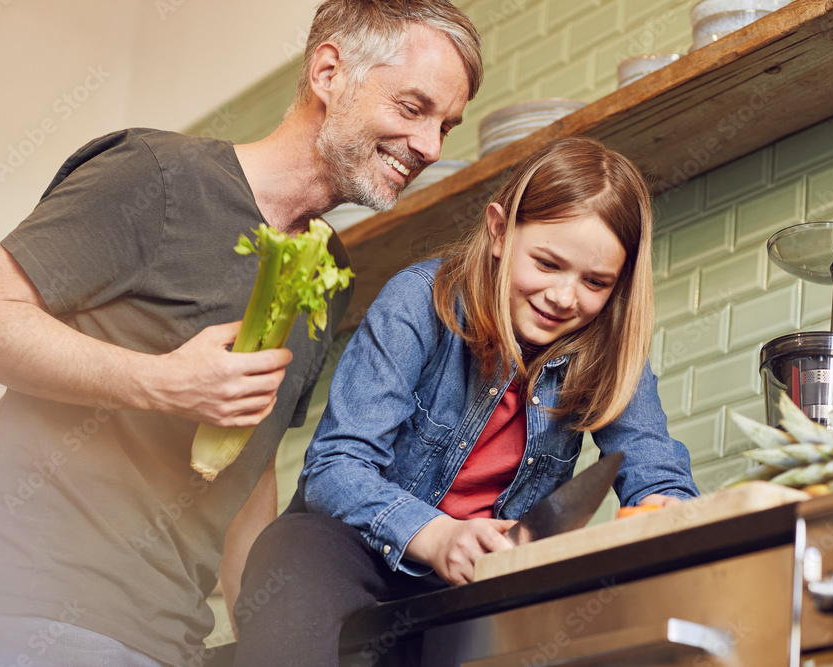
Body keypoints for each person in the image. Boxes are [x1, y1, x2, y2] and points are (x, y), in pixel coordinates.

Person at [0, 1, 482, 665]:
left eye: (446, 126)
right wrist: (163, 381)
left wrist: (268, 635)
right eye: (413, 108)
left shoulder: (326, 274)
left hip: (170, 643)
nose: (430, 145)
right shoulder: (155, 175)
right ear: (329, 72)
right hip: (24, 612)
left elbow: (248, 479)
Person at [232, 136, 700, 666]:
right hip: (356, 551)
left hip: (479, 586)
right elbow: (334, 467)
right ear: (500, 231)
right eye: (547, 264)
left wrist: (668, 513)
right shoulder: (419, 300)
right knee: (291, 554)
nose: (565, 297)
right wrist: (436, 536)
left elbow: (655, 473)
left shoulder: (610, 350)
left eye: (595, 282)